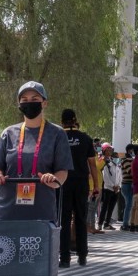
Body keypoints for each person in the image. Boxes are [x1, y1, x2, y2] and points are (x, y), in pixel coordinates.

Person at [0, 80, 76, 276]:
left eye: (35, 97)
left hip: (40, 211)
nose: (29, 102)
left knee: (33, 268)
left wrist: (53, 179)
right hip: (7, 210)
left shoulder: (57, 135)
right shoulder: (9, 134)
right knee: (3, 267)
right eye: (24, 98)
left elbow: (63, 172)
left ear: (45, 102)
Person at [57, 110, 97, 265]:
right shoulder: (85, 138)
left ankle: (64, 258)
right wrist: (96, 185)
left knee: (64, 220)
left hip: (62, 182)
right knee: (80, 218)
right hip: (81, 183)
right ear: (75, 120)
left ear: (62, 121)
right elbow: (92, 164)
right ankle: (82, 255)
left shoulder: (58, 137)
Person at [99, 144, 124, 230]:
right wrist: (113, 186)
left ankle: (107, 223)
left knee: (111, 208)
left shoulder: (118, 166)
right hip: (108, 189)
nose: (117, 158)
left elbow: (120, 177)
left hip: (116, 190)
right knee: (105, 207)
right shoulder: (107, 164)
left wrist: (118, 186)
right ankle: (100, 223)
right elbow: (106, 177)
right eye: (115, 157)